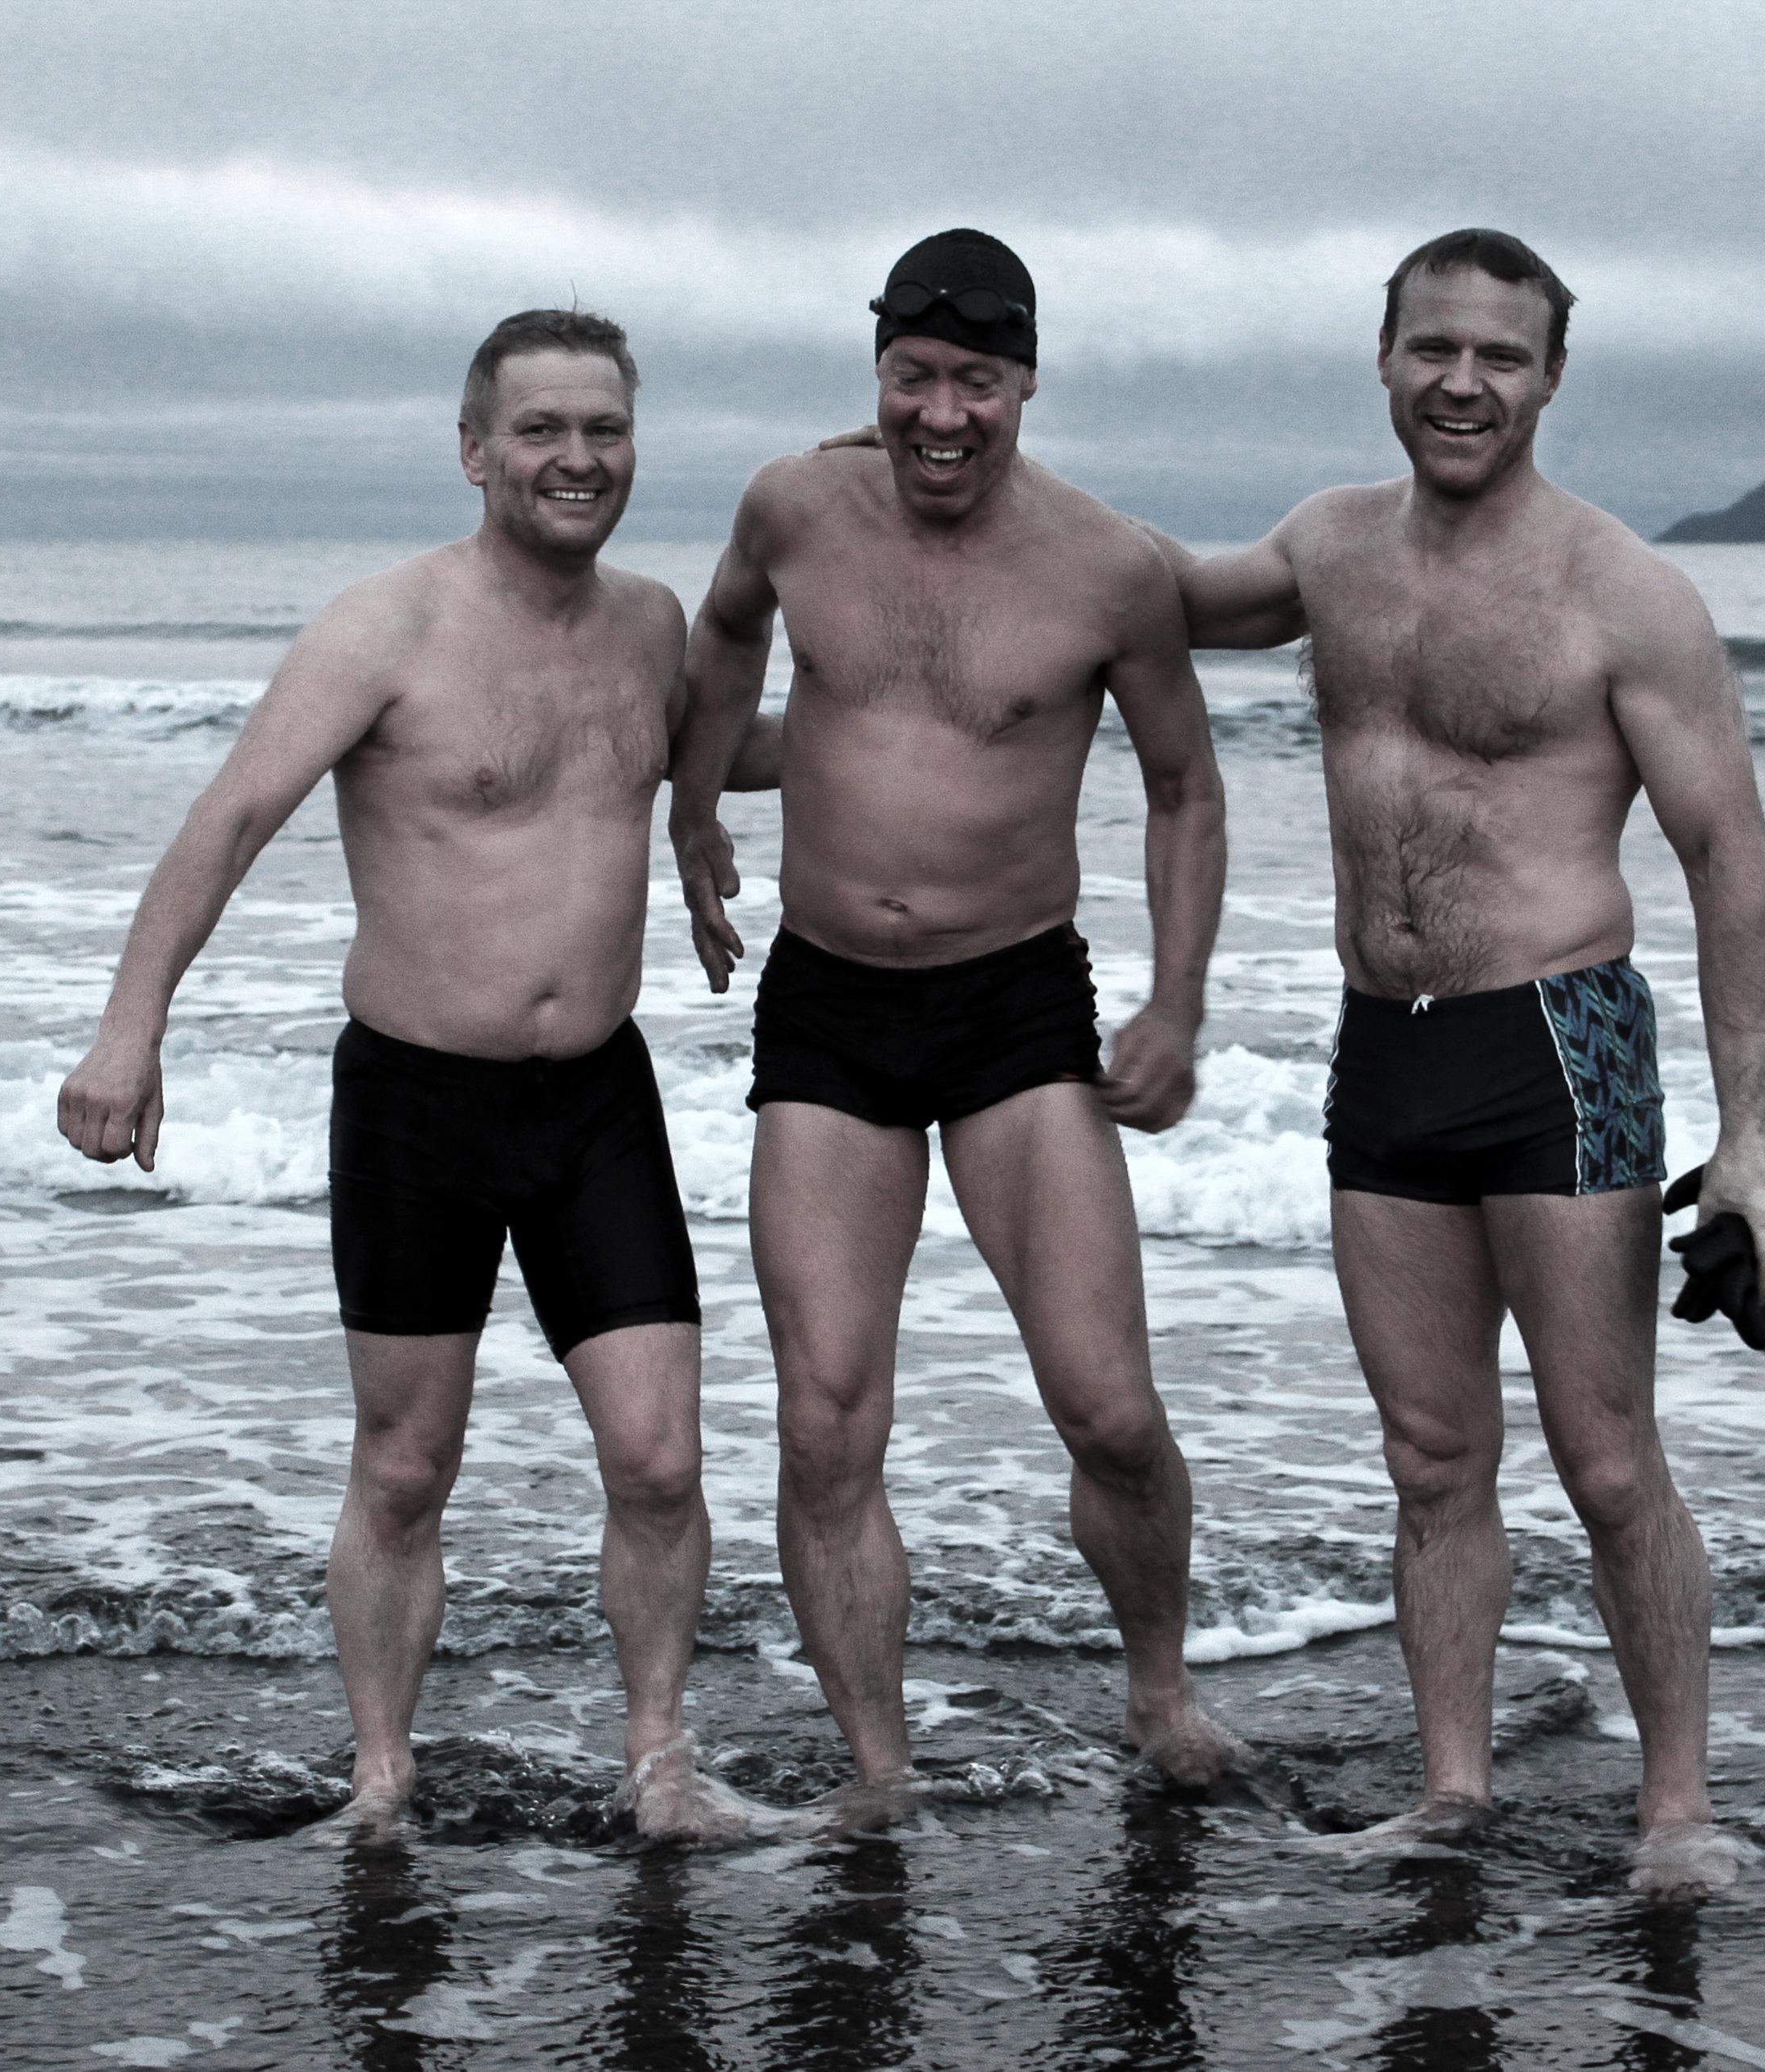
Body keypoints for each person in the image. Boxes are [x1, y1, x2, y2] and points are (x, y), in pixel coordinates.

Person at [56, 309, 778, 1843]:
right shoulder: (379, 630)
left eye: (604, 429)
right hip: (417, 1103)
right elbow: (230, 818)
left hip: (596, 1098)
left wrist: (922, 696)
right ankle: (381, 1780)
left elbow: (713, 751)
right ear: (474, 450)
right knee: (403, 1466)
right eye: (541, 429)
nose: (577, 458)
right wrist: (130, 1025)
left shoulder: (651, 625)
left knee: (660, 1458)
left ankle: (660, 1762)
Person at [1150, 229, 1765, 1899]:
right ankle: (1452, 1794)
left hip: (1556, 1042)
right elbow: (1142, 597)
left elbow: (1728, 856)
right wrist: (961, 477)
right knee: (1431, 1458)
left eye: (1499, 356)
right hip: (1386, 1047)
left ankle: (1677, 1811)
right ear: (1383, 357)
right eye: (1432, 347)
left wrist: (1748, 1130)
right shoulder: (1327, 547)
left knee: (1606, 1457)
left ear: (1551, 376)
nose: (1461, 382)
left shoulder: (1623, 592)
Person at [666, 229, 1248, 1827]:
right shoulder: (793, 507)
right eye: (913, 378)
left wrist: (1178, 999)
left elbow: (1186, 786)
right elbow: (721, 637)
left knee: (1108, 1408)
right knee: (824, 1422)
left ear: (1026, 384)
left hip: (1012, 1004)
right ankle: (880, 1773)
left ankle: (1160, 1687)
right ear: (878, 373)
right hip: (828, 1002)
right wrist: (696, 808)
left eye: (975, 384)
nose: (941, 415)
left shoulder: (1107, 568)